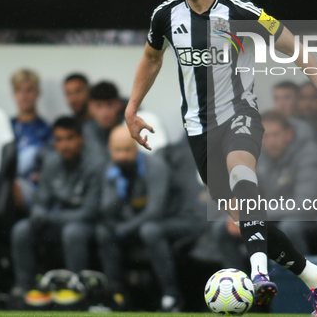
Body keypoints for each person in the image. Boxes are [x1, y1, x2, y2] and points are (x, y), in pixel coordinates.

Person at [124, 0, 317, 315]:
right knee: (245, 217)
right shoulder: (166, 15)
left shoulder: (240, 11)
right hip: (198, 129)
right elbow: (151, 58)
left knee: (242, 172)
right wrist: (131, 109)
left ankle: (259, 274)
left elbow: (294, 46)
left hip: (241, 114)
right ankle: (314, 277)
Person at [97, 125, 205, 312]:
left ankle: (172, 297)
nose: (122, 156)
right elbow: (106, 210)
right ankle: (115, 294)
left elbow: (155, 211)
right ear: (110, 150)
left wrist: (124, 228)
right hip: (141, 223)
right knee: (103, 232)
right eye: (117, 151)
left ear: (136, 147)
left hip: (180, 219)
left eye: (127, 150)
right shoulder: (112, 170)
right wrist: (116, 190)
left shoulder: (155, 166)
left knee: (150, 230)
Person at [213, 111, 317, 268]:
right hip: (274, 216)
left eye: (275, 134)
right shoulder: (259, 156)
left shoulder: (310, 156)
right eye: (265, 136)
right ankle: (242, 285)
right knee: (222, 227)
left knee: (288, 229)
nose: (271, 141)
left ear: (289, 134)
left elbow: (305, 205)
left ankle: (302, 286)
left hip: (314, 218)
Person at [11, 117, 104, 306]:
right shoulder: (51, 162)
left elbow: (90, 211)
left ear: (81, 139)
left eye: (69, 138)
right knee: (22, 229)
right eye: (59, 139)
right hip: (58, 222)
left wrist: (50, 216)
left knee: (73, 231)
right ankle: (27, 287)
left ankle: (77, 288)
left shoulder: (96, 164)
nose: (64, 145)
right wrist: (37, 212)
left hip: (88, 225)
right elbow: (42, 201)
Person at [10, 69, 52, 207]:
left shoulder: (47, 130)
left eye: (29, 90)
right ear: (14, 94)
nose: (24, 96)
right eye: (19, 90)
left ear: (37, 92)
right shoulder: (5, 127)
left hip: (35, 191)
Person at [82, 81, 125, 160]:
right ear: (90, 107)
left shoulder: (129, 126)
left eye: (110, 105)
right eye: (99, 106)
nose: (105, 113)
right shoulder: (88, 130)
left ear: (119, 104)